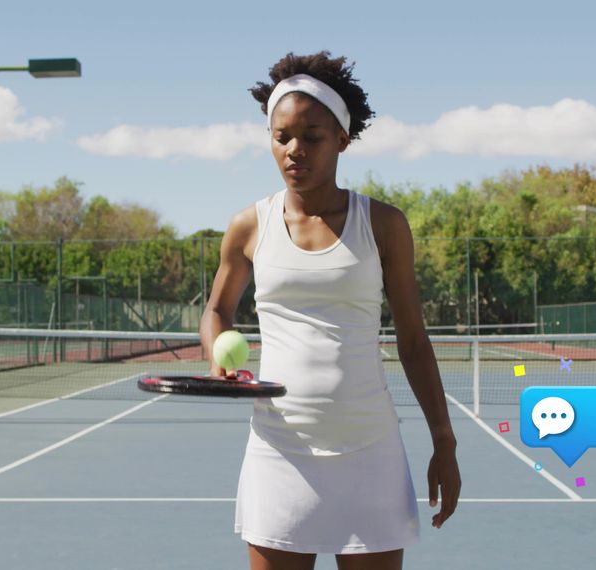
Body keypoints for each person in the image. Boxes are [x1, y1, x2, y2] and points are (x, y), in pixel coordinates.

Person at [199, 50, 461, 570]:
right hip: (280, 449)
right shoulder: (248, 227)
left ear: (342, 138)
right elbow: (216, 312)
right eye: (282, 137)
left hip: (370, 448)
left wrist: (444, 443)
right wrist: (217, 357)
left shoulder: (383, 224)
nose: (295, 150)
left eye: (312, 137)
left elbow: (413, 340)